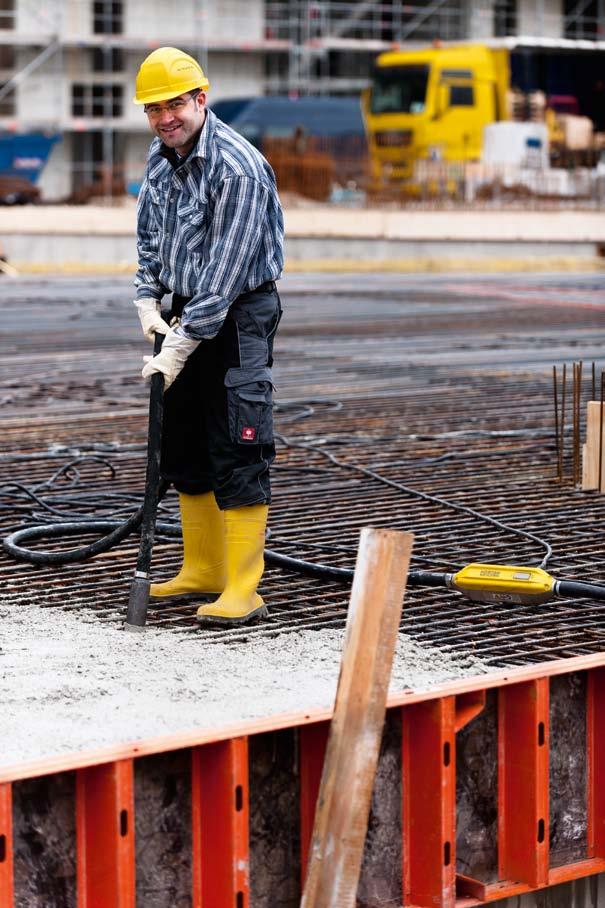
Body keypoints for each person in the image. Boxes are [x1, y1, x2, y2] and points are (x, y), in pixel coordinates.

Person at [133, 47, 284, 625]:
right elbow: (149, 234)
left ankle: (244, 586)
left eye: (175, 103)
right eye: (154, 108)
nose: (165, 117)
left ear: (201, 98)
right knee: (186, 439)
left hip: (238, 311)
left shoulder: (237, 169)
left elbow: (222, 279)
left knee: (238, 435)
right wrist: (147, 296)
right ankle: (203, 568)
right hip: (184, 306)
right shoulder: (160, 156)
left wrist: (178, 346)